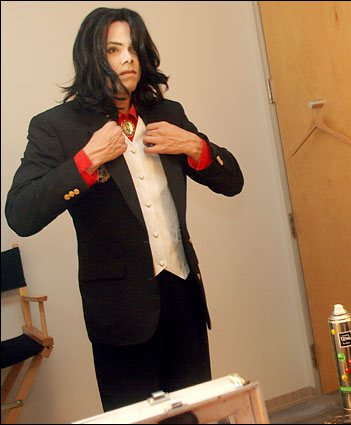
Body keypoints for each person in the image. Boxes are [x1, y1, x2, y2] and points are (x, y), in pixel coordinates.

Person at [5, 7, 244, 412]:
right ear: (91, 56)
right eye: (114, 49)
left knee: (193, 418)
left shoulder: (168, 113)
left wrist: (194, 146)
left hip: (183, 299)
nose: (128, 58)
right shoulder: (56, 127)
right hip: (119, 314)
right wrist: (86, 160)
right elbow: (21, 214)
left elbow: (233, 181)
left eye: (133, 49)